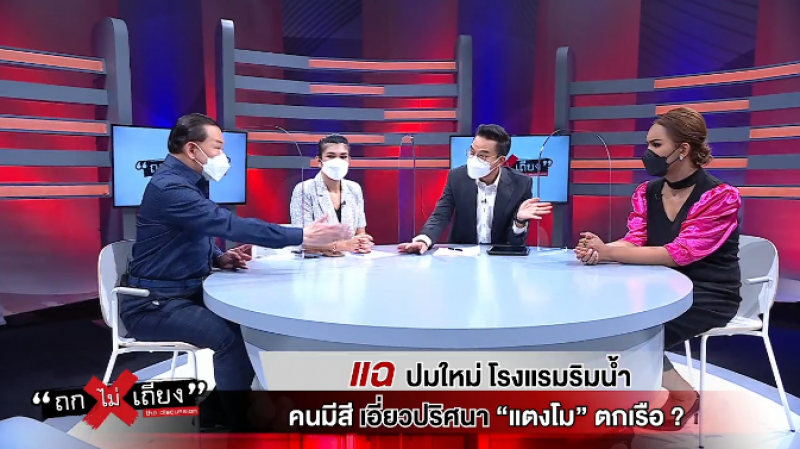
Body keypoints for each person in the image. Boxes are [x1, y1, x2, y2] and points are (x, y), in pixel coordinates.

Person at [119, 113, 349, 430]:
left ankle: (218, 409)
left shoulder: (189, 181)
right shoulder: (171, 187)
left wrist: (219, 257)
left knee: (247, 324)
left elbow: (193, 232)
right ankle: (239, 423)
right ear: (192, 149)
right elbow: (227, 224)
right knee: (229, 339)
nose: (223, 156)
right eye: (217, 147)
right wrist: (302, 235)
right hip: (153, 304)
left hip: (181, 292)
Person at [575, 107, 742, 430]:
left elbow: (680, 254)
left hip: (708, 293)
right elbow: (635, 240)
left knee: (632, 334)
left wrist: (610, 252)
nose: (647, 153)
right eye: (648, 145)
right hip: (659, 288)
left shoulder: (720, 196)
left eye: (656, 145)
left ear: (683, 149)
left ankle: (682, 397)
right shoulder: (647, 192)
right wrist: (600, 250)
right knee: (604, 323)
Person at [397, 124, 552, 254]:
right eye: (472, 152)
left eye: (483, 155)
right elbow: (440, 215)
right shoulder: (457, 177)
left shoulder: (521, 183)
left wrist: (519, 221)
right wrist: (424, 239)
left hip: (501, 259)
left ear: (500, 161)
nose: (474, 158)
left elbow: (515, 243)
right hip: (462, 257)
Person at [290, 134, 373, 255]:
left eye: (343, 157)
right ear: (319, 161)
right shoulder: (304, 189)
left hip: (350, 262)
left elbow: (360, 233)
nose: (337, 161)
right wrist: (341, 246)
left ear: (349, 160)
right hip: (313, 263)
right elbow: (301, 240)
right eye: (331, 156)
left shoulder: (354, 189)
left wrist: (363, 244)